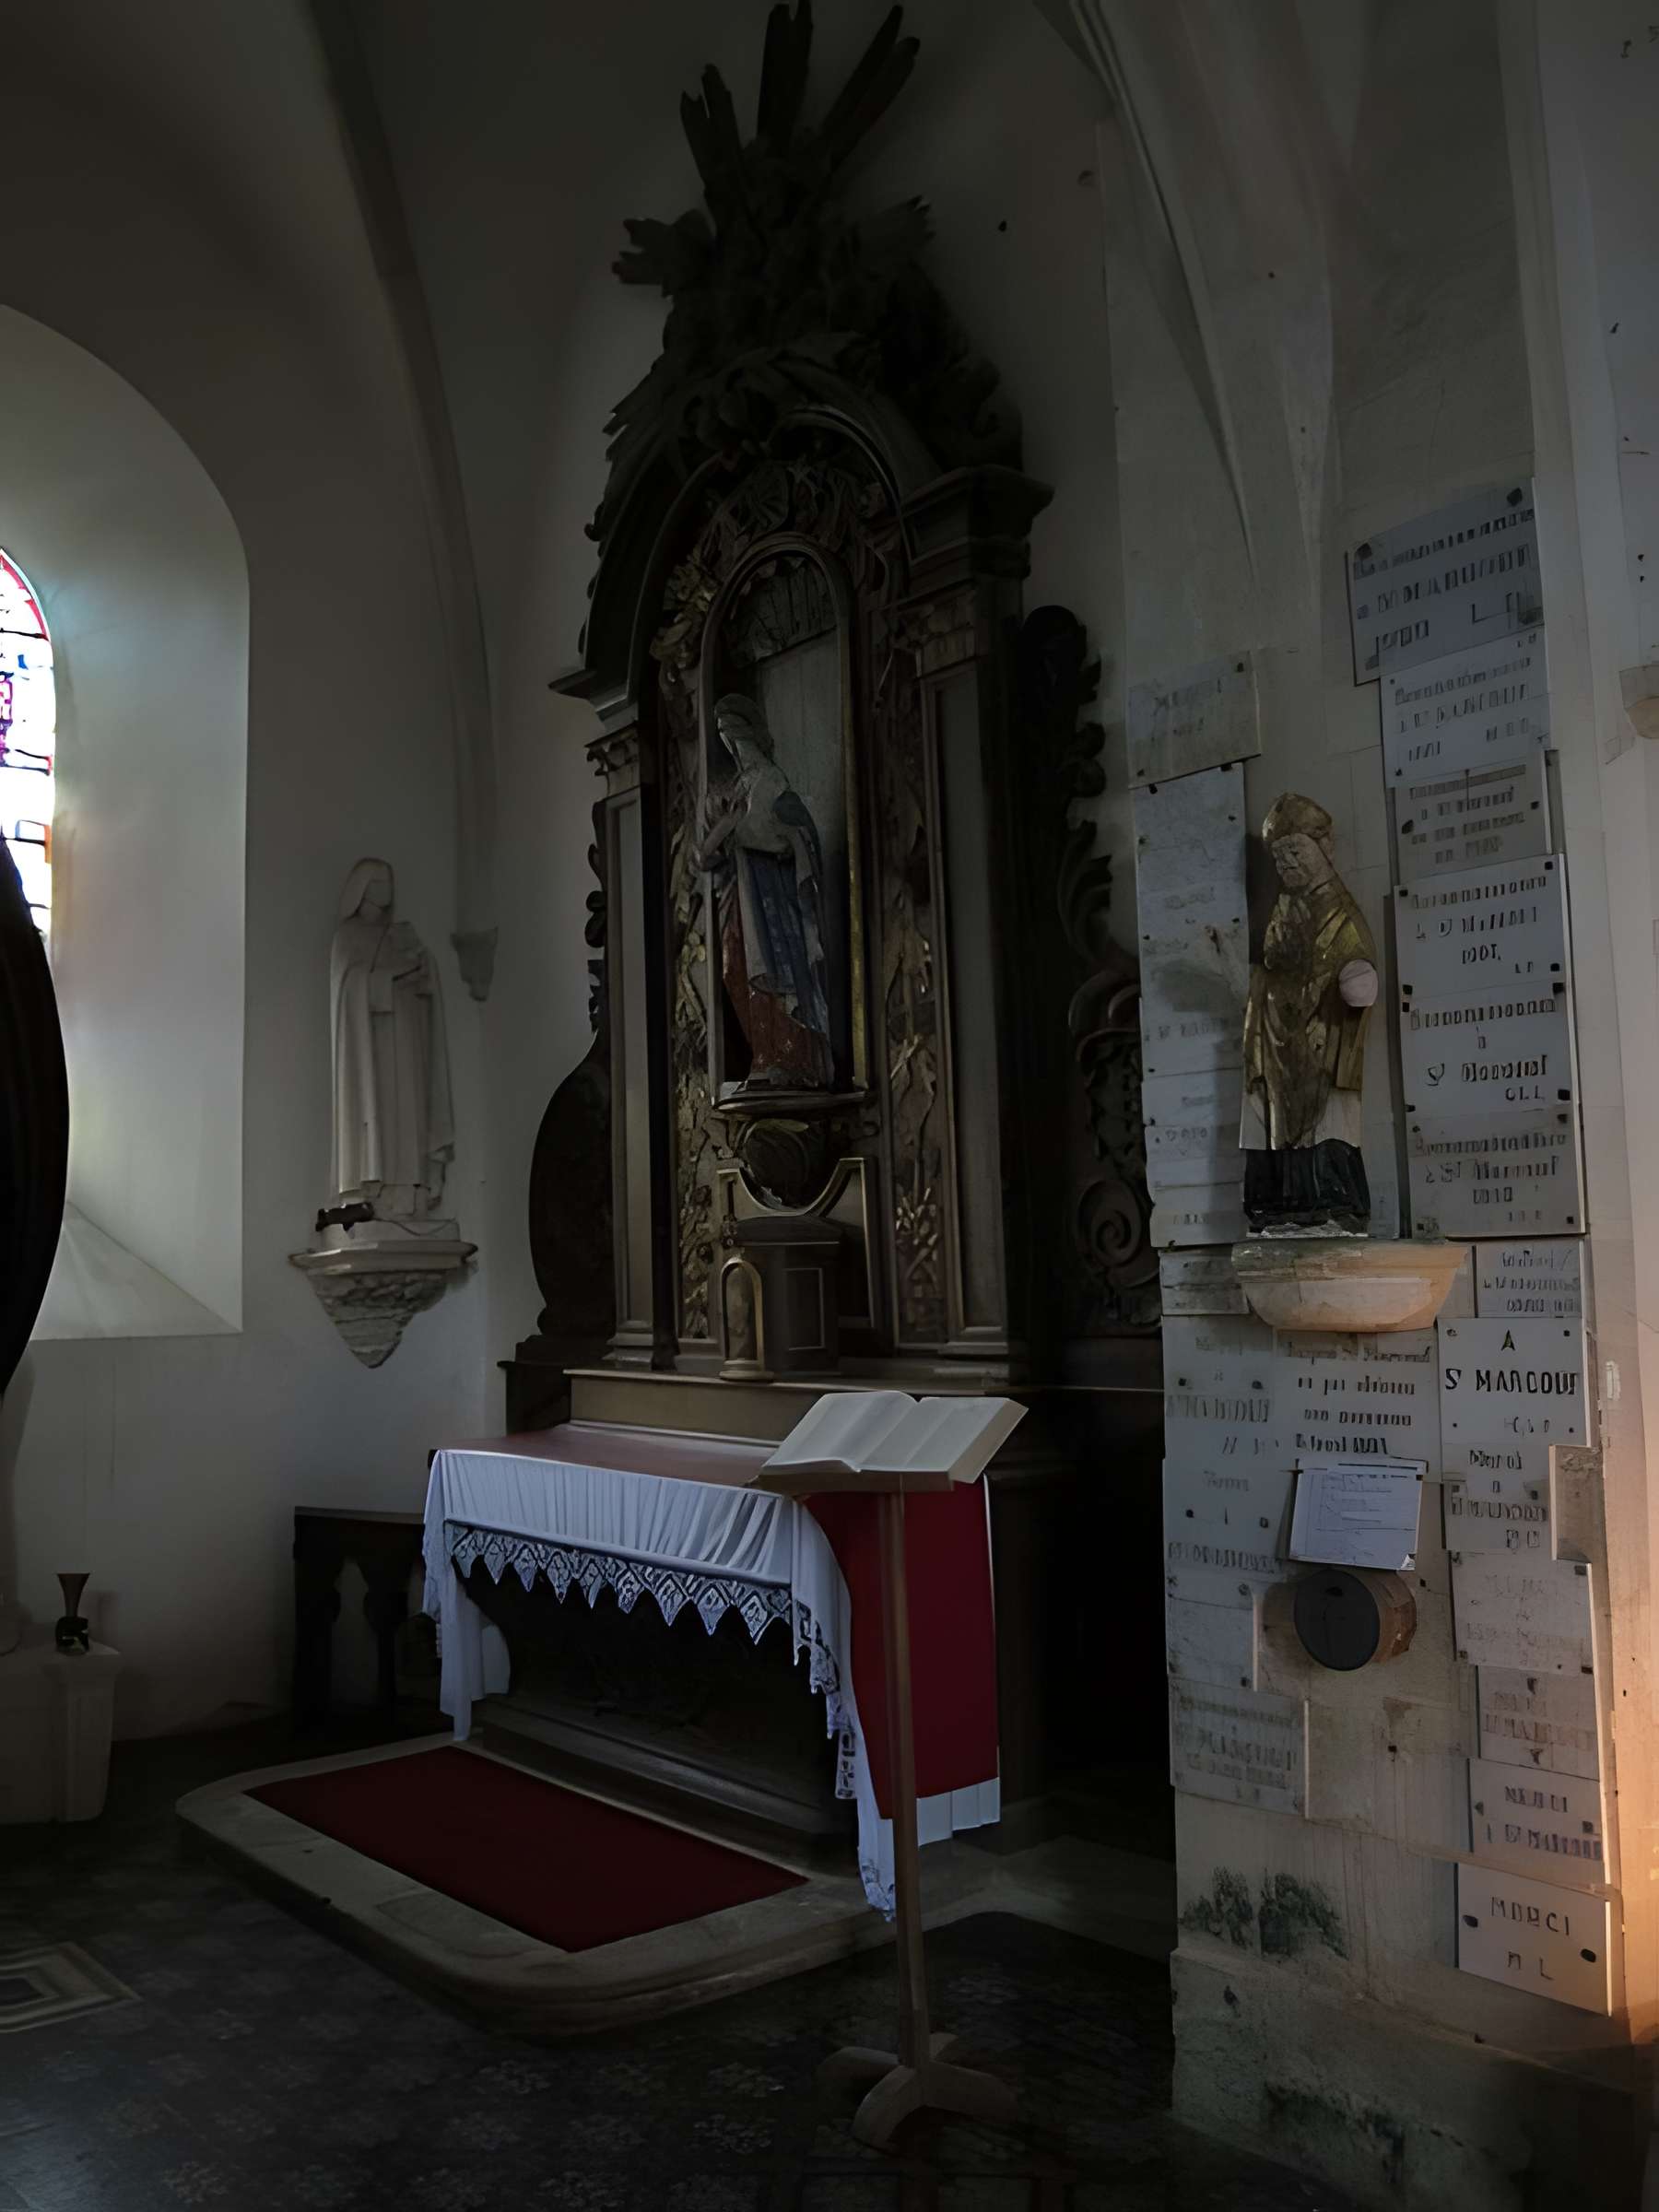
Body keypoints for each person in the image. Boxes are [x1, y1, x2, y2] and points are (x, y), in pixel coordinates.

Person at [1239, 793, 1377, 1234]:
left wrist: (1355, 980)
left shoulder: (1342, 912)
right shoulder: (1284, 907)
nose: (1287, 866)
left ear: (1325, 848)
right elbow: (1275, 962)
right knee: (1272, 1116)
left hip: (1321, 1034)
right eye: (1280, 859)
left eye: (1295, 852)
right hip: (1279, 1031)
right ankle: (1283, 1202)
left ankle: (1332, 1202)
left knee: (1328, 1119)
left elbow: (1357, 962)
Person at [697, 692, 833, 1090]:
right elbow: (706, 855)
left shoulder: (771, 780)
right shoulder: (736, 788)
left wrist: (739, 832)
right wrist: (727, 830)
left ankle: (791, 1057)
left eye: (735, 735)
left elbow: (789, 836)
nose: (731, 744)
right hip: (741, 898)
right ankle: (763, 1053)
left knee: (778, 973)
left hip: (772, 900)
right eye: (724, 736)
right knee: (733, 969)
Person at [329, 859, 454, 1218]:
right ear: (362, 887)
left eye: (389, 881)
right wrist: (391, 976)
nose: (387, 888)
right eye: (379, 881)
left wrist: (422, 972)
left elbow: (426, 980)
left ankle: (410, 1191)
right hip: (370, 1050)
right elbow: (348, 991)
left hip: (408, 1037)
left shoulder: (403, 934)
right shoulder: (347, 937)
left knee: (409, 1113)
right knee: (377, 1113)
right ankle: (373, 1192)